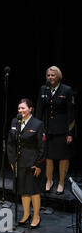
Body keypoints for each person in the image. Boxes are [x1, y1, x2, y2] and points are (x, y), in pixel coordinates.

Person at [35, 66, 75, 195]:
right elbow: (39, 110)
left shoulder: (67, 90)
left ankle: (61, 183)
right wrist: (36, 128)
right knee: (49, 157)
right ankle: (49, 181)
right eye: (48, 75)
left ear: (58, 76)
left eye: (53, 75)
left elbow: (71, 113)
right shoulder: (43, 89)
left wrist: (70, 133)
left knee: (63, 157)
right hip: (48, 128)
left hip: (62, 129)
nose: (50, 78)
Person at [7, 99, 46, 229]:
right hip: (18, 162)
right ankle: (26, 215)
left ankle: (36, 216)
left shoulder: (37, 124)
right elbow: (10, 143)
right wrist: (12, 161)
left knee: (33, 190)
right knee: (23, 189)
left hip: (32, 163)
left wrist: (39, 164)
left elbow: (42, 146)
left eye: (23, 108)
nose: (20, 111)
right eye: (19, 108)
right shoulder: (15, 121)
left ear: (30, 109)